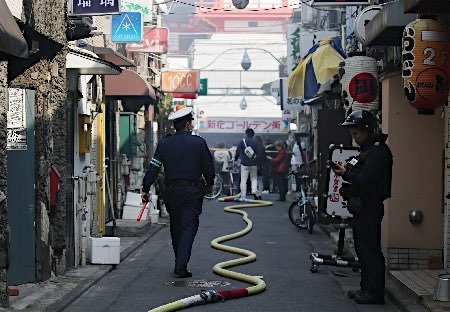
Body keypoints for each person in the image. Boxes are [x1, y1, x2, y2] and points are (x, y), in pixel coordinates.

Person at [141, 107, 215, 278]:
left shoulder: (165, 143)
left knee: (176, 226)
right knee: (189, 226)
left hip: (171, 192)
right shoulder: (199, 143)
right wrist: (209, 184)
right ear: (188, 124)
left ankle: (179, 260)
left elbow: (154, 166)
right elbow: (208, 168)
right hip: (192, 191)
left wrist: (146, 187)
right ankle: (181, 264)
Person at [331, 109, 393, 305]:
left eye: (356, 134)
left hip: (370, 207)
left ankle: (374, 293)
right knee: (362, 250)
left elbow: (366, 179)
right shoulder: (367, 151)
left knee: (370, 251)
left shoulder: (378, 152)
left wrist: (345, 174)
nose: (354, 138)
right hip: (360, 208)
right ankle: (366, 289)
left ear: (367, 130)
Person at [234, 128, 261, 200]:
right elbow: (259, 154)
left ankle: (243, 196)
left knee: (243, 180)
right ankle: (254, 191)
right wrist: (258, 163)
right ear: (253, 134)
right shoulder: (256, 143)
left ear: (246, 134)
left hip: (244, 164)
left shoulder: (242, 141)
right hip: (254, 164)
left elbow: (237, 152)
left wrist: (236, 160)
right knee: (254, 178)